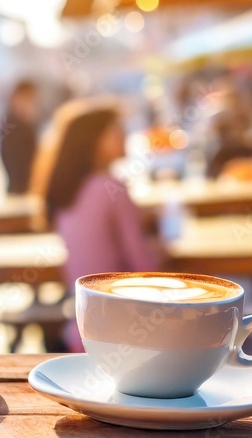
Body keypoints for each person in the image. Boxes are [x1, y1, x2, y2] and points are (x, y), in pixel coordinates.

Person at [35, 99, 162, 352]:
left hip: (83, 332)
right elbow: (145, 267)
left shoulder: (68, 190)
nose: (125, 134)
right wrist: (164, 248)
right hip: (127, 333)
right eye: (116, 129)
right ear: (94, 141)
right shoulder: (112, 188)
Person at [1, 80, 40, 195]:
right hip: (19, 187)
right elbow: (12, 159)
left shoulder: (25, 122)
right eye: (28, 98)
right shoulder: (12, 124)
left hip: (23, 186)